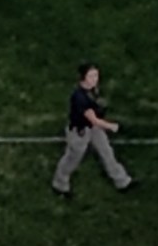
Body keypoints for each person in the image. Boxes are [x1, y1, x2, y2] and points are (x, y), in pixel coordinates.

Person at [51, 62, 135, 198]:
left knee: (107, 152)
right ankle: (59, 185)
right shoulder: (79, 97)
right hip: (79, 132)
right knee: (72, 159)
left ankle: (122, 181)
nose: (95, 79)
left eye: (96, 75)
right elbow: (94, 119)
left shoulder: (92, 90)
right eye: (91, 76)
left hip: (92, 128)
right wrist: (112, 126)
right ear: (83, 78)